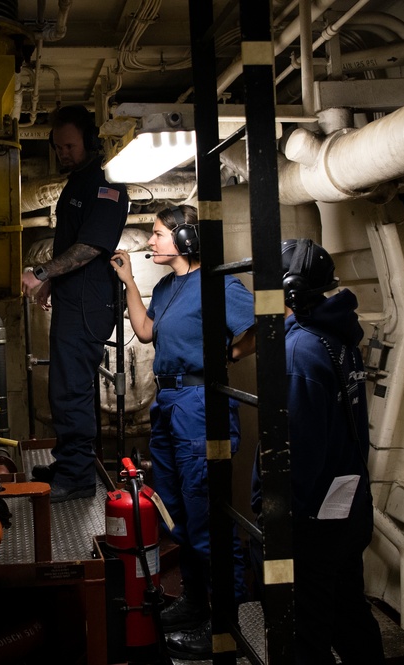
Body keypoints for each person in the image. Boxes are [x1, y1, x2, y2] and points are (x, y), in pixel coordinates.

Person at [110, 205, 256, 660]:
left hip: (198, 406)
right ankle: (195, 603)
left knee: (206, 517)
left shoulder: (218, 285)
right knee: (178, 515)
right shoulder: (169, 287)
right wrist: (130, 282)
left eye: (157, 234)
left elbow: (267, 322)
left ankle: (224, 623)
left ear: (186, 239)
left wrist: (227, 355)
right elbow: (147, 331)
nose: (151, 242)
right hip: (168, 404)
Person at [250, 238, 385, 664]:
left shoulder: (297, 353)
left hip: (312, 520)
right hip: (347, 505)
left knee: (303, 634)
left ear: (287, 292)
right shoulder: (334, 337)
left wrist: (273, 511)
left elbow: (297, 449)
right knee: (348, 615)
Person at [22, 104, 129, 503]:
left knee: (72, 390)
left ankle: (78, 477)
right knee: (63, 386)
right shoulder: (76, 183)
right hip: (74, 298)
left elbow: (90, 247)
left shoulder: (108, 186)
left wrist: (43, 274)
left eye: (69, 146)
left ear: (91, 143)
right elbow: (71, 245)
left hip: (89, 304)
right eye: (58, 147)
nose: (62, 153)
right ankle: (69, 462)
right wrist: (53, 283)